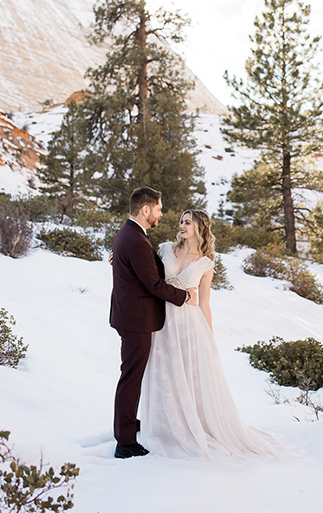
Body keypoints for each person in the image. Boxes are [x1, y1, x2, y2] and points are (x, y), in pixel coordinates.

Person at [140, 209, 286, 460]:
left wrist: (208, 336)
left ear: (199, 227)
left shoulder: (206, 262)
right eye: (181, 222)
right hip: (162, 321)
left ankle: (191, 426)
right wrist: (117, 257)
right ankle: (165, 427)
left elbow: (205, 302)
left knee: (189, 375)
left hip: (189, 324)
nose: (182, 225)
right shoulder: (165, 249)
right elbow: (141, 268)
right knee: (163, 373)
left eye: (188, 222)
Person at [109, 186, 197, 459]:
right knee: (131, 378)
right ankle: (125, 441)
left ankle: (129, 423)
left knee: (131, 375)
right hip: (136, 320)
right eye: (158, 208)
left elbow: (144, 272)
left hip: (130, 315)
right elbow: (154, 285)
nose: (161, 213)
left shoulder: (129, 235)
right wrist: (184, 296)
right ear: (145, 210)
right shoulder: (135, 240)